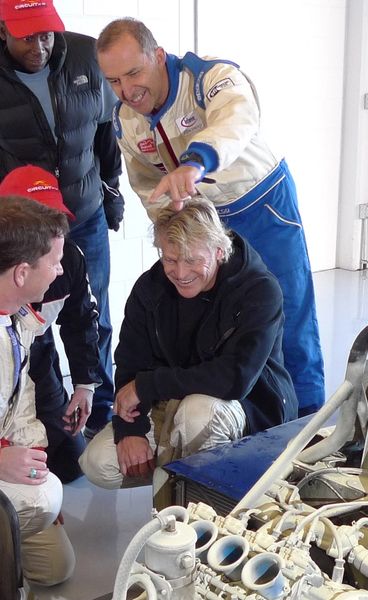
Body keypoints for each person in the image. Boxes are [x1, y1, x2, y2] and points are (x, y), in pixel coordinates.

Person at [95, 18, 324, 417]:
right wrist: (170, 226)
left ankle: (306, 426)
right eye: (114, 81)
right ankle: (244, 421)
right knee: (219, 323)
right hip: (204, 220)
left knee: (288, 315)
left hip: (261, 203)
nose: (127, 91)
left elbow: (238, 119)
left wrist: (196, 163)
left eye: (134, 73)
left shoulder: (210, 77)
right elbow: (149, 185)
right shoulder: (125, 121)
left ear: (158, 57)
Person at [80, 199, 297, 492]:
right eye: (170, 259)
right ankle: (189, 480)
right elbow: (130, 364)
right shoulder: (149, 289)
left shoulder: (259, 289)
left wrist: (148, 386)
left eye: (192, 260)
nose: (180, 273)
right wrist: (130, 431)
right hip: (172, 400)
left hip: (245, 406)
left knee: (197, 416)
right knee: (98, 463)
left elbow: (235, 378)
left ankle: (199, 510)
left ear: (219, 251)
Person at [0, 0, 124, 435]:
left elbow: (107, 134)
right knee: (28, 322)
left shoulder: (87, 56)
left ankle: (99, 407)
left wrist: (112, 195)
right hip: (22, 223)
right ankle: (35, 413)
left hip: (81, 211)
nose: (40, 46)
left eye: (47, 34)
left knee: (92, 312)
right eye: (27, 36)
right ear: (3, 31)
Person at [0, 165, 101, 484]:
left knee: (68, 464)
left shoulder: (67, 260)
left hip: (36, 355)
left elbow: (81, 320)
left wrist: (84, 385)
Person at [0, 196, 75, 586]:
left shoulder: (16, 318)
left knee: (54, 568)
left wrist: (33, 465)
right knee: (41, 499)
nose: (60, 270)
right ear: (22, 272)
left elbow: (21, 404)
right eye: (54, 262)